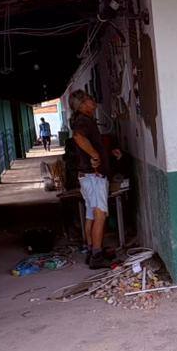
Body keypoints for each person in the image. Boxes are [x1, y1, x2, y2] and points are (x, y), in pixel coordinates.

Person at [70, 92, 122, 268]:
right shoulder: (83, 120)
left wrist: (106, 153)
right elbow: (78, 137)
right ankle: (97, 257)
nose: (94, 103)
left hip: (86, 176)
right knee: (100, 215)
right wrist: (94, 154)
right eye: (91, 100)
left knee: (91, 214)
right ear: (83, 104)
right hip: (94, 176)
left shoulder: (81, 119)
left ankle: (92, 250)